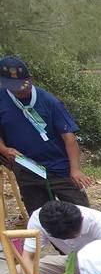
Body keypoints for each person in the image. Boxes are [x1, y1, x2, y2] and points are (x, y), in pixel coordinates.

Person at [0, 56, 91, 213]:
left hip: (59, 167)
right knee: (40, 216)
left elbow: (69, 138)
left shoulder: (49, 101)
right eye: (14, 87)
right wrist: (3, 149)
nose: (20, 91)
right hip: (27, 167)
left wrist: (75, 169)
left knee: (81, 213)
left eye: (23, 86)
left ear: (31, 79)